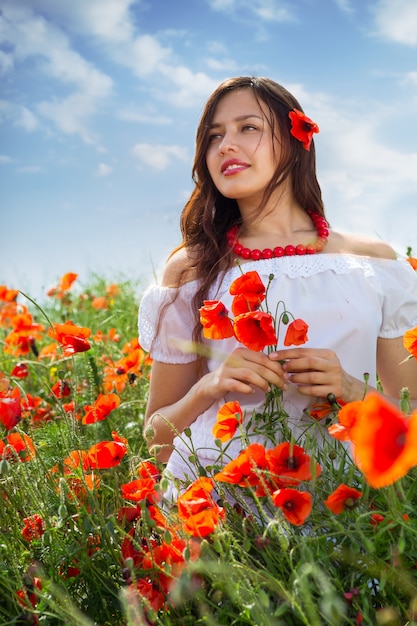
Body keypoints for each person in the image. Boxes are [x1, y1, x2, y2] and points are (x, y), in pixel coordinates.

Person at [138, 76, 417, 498]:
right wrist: (208, 387)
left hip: (346, 512)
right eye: (214, 136)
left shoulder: (374, 261)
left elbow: (410, 422)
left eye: (247, 127)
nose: (226, 145)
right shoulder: (191, 270)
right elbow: (156, 439)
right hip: (218, 508)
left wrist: (349, 388)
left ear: (295, 138)